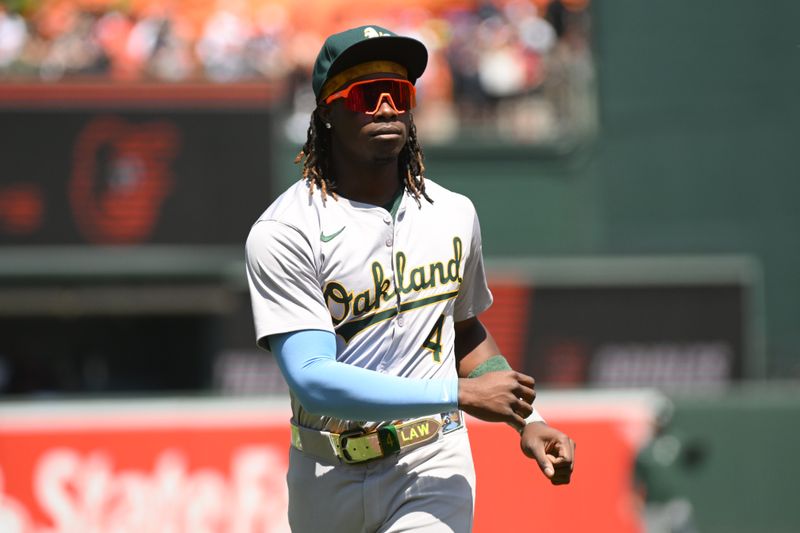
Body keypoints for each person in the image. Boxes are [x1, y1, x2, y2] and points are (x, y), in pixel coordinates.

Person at [245, 25, 576, 532]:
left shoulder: (453, 213)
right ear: (327, 113)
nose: (385, 107)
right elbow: (312, 377)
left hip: (432, 461)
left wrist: (527, 421)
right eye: (365, 95)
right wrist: (460, 394)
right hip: (325, 470)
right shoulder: (286, 230)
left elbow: (463, 331)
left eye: (398, 93)